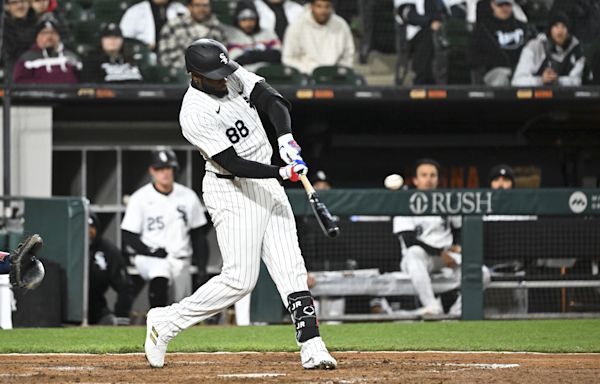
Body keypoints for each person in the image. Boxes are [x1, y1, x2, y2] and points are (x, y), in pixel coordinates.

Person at [144, 39, 336, 370]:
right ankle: (167, 321)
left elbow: (272, 99)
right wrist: (282, 170)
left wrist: (285, 138)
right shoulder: (194, 112)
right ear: (195, 75)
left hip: (267, 184)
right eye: (214, 75)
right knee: (240, 280)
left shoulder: (230, 74)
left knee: (292, 269)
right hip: (232, 191)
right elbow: (233, 163)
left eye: (224, 71)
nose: (223, 79)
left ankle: (312, 344)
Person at [121, 148, 208, 309]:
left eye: (168, 168)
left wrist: (202, 268)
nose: (165, 173)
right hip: (151, 257)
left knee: (181, 307)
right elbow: (128, 234)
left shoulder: (188, 196)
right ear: (152, 171)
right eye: (160, 168)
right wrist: (149, 250)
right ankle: (156, 319)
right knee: (160, 275)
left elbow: (198, 235)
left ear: (174, 169)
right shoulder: (140, 198)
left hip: (181, 259)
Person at [393, 159, 461, 316]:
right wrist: (439, 253)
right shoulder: (405, 202)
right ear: (416, 180)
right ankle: (432, 306)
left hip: (447, 257)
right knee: (413, 253)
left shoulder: (448, 200)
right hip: (422, 259)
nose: (429, 179)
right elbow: (409, 240)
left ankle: (455, 313)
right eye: (424, 175)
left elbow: (459, 228)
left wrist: (458, 245)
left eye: (433, 175)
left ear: (438, 179)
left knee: (482, 274)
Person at [512, 12, 585, 87]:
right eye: (556, 26)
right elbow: (517, 81)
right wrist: (541, 80)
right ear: (550, 29)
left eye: (563, 26)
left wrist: (558, 80)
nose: (560, 31)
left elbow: (577, 81)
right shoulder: (534, 47)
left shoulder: (576, 50)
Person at [282, 0, 354, 75]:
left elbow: (348, 55)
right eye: (319, 6)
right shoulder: (297, 26)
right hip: (305, 77)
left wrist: (338, 71)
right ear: (311, 7)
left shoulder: (341, 25)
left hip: (335, 77)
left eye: (327, 7)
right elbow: (288, 58)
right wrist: (309, 70)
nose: (323, 11)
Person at [470, 0, 532, 86]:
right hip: (493, 73)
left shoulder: (523, 27)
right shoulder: (482, 29)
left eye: (507, 5)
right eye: (500, 5)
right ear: (493, 5)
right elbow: (473, 58)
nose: (504, 8)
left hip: (521, 72)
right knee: (501, 78)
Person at [88, 212, 134, 325]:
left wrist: (122, 315)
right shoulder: (68, 249)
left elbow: (125, 286)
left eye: (91, 227)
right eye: (84, 228)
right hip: (65, 311)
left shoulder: (107, 250)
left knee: (108, 322)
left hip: (96, 309)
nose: (88, 231)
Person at [394, 0, 451, 85]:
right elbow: (407, 14)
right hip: (412, 37)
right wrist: (430, 22)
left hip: (432, 37)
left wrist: (437, 21)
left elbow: (443, 12)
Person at [13, 15, 81, 84]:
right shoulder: (26, 59)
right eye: (44, 33)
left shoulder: (71, 57)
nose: (49, 36)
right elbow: (20, 83)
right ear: (37, 37)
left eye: (53, 32)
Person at [158, 0, 226, 69]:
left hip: (211, 74)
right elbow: (165, 58)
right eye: (197, 5)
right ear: (189, 7)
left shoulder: (217, 28)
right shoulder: (173, 26)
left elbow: (222, 57)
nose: (201, 9)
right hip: (180, 73)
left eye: (205, 5)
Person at [225, 0, 281, 73]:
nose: (248, 23)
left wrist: (251, 54)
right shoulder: (231, 35)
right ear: (237, 20)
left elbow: (277, 55)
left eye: (252, 19)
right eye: (244, 20)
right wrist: (263, 54)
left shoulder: (268, 33)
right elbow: (238, 60)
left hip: (271, 74)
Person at [120, 0, 189, 52]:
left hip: (177, 57)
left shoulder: (181, 10)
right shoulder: (135, 11)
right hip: (145, 58)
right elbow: (123, 38)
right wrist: (143, 46)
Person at [1, 0, 37, 70]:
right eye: (14, 2)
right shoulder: (2, 27)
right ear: (7, 6)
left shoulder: (41, 23)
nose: (20, 5)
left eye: (23, 1)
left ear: (29, 3)